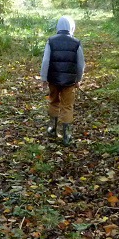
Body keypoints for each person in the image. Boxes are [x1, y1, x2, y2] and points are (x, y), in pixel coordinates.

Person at [40, 15, 85, 145]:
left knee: (53, 102)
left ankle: (52, 129)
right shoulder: (76, 43)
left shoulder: (51, 41)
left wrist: (44, 78)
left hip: (53, 80)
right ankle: (67, 135)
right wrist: (78, 79)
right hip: (70, 82)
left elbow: (45, 60)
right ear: (72, 26)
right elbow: (81, 64)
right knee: (67, 106)